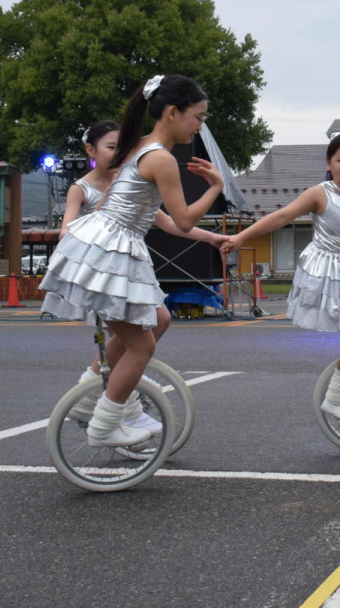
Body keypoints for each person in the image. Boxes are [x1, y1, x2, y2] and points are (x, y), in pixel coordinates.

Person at [41, 74, 223, 449]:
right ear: (172, 112)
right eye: (199, 117)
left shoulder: (141, 145)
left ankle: (96, 400)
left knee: (157, 319)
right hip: (112, 248)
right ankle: (105, 423)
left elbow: (145, 212)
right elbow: (185, 219)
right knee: (142, 347)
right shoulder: (161, 158)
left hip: (107, 243)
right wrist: (216, 188)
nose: (200, 125)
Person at [220, 133, 340, 430]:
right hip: (331, 271)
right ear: (329, 164)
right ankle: (337, 399)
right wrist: (241, 236)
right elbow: (281, 216)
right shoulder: (321, 192)